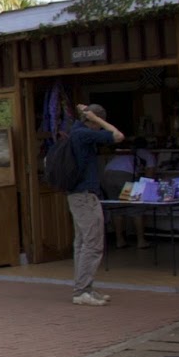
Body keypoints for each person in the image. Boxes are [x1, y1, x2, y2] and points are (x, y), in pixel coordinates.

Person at [66, 103, 123, 306]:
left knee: (82, 242)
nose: (100, 127)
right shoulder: (84, 134)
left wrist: (87, 113)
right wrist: (97, 119)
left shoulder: (75, 131)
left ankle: (85, 287)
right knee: (93, 243)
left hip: (77, 195)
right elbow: (118, 136)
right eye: (98, 123)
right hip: (85, 195)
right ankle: (82, 290)